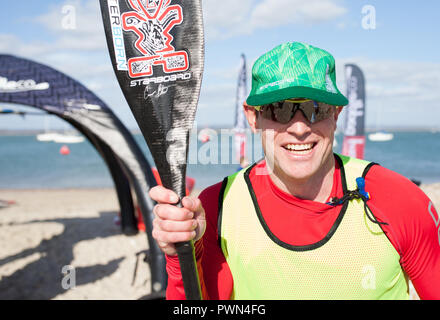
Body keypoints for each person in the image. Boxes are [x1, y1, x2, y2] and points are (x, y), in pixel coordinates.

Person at [150, 42, 440, 300]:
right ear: (253, 116)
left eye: (316, 108)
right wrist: (182, 255)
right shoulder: (218, 208)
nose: (300, 128)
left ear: (336, 116)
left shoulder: (399, 200)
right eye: (280, 108)